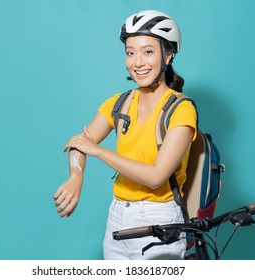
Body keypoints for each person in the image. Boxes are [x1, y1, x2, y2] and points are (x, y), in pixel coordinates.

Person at [53, 10, 197, 260]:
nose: (137, 62)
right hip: (118, 215)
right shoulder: (118, 104)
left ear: (168, 54)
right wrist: (76, 177)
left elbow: (156, 176)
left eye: (148, 51)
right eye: (130, 53)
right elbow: (80, 144)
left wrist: (98, 151)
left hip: (160, 218)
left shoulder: (180, 109)